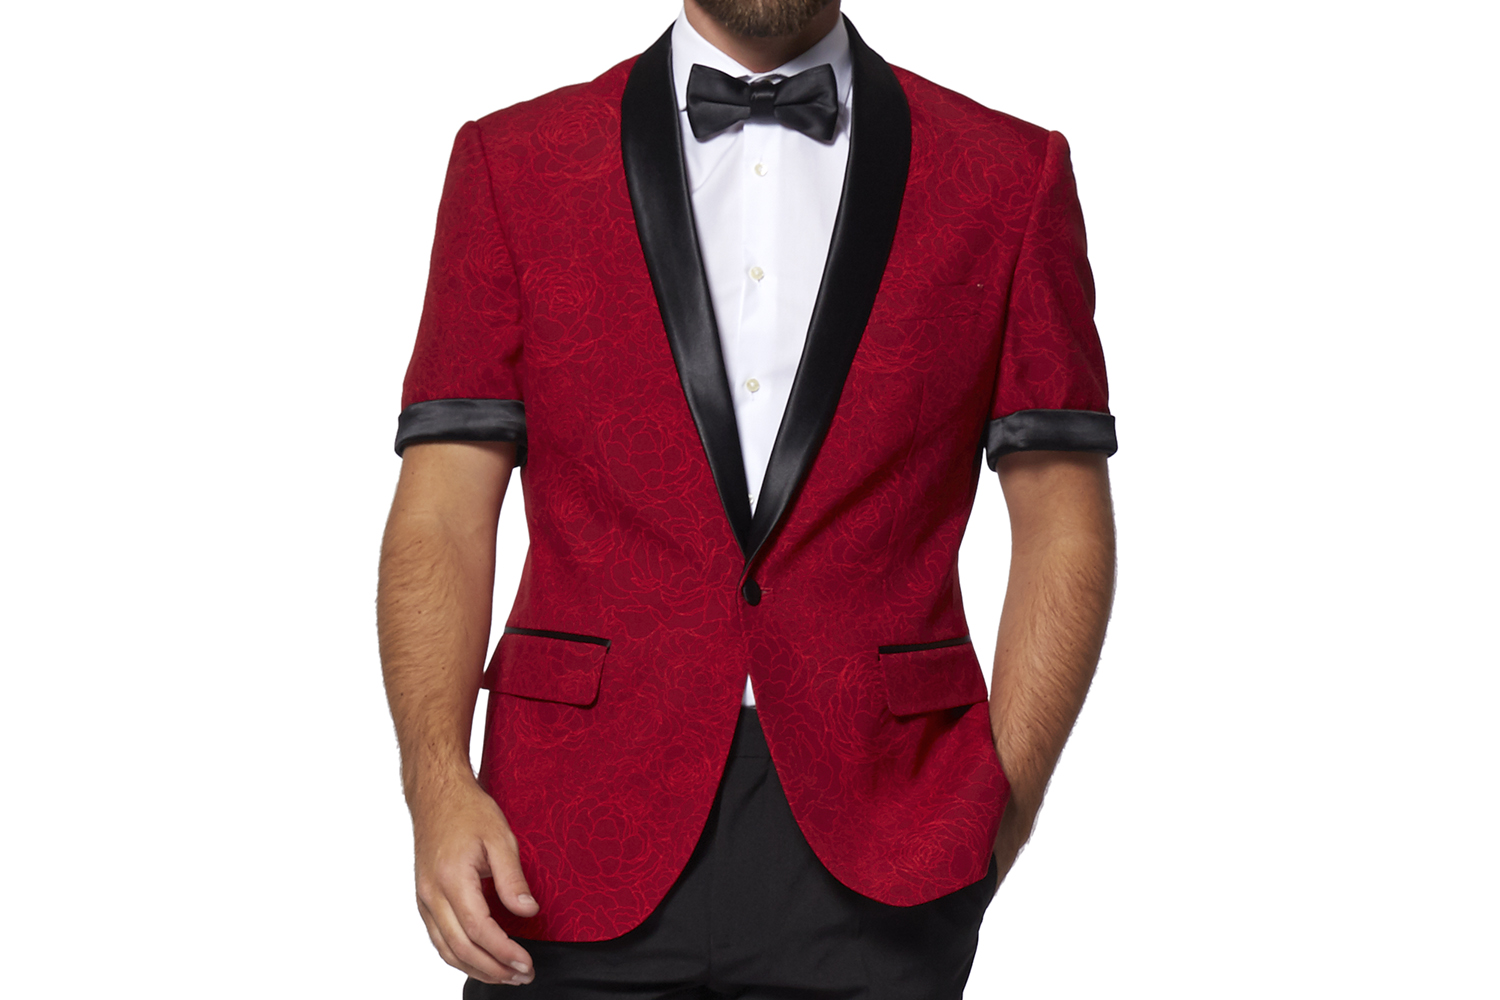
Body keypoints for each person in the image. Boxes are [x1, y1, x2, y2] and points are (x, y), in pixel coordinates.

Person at [377, 1, 1117, 996]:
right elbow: (443, 511)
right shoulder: (511, 164)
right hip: (565, 831)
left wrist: (995, 807)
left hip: (887, 833)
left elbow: (1063, 520)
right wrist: (436, 784)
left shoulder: (1011, 175)